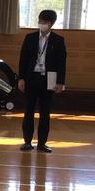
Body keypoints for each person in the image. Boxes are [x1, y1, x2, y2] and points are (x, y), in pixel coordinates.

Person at [18, 9, 67, 153]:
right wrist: (21, 78)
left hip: (48, 79)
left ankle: (42, 143)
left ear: (51, 23)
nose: (41, 24)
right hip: (31, 78)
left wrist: (60, 82)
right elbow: (23, 59)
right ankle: (27, 142)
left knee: (45, 112)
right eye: (40, 21)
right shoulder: (30, 38)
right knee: (29, 110)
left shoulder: (58, 40)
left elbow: (61, 63)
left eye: (44, 22)